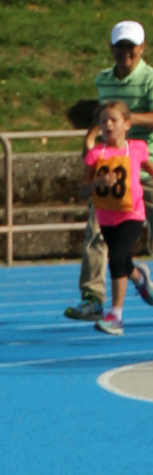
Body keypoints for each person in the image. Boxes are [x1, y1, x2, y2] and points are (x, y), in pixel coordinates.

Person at [66, 21, 153, 321]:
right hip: (109, 170)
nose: (125, 52)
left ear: (142, 48)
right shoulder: (103, 79)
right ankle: (93, 296)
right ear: (111, 48)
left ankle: (138, 279)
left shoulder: (150, 79)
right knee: (96, 233)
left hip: (144, 163)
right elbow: (100, 115)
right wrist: (92, 137)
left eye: (131, 46)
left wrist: (122, 116)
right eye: (120, 46)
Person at [80, 101, 153, 336]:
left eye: (113, 120)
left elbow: (150, 169)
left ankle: (116, 316)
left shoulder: (137, 148)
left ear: (127, 124)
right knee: (122, 261)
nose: (108, 124)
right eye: (103, 121)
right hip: (106, 216)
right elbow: (82, 189)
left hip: (132, 212)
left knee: (116, 258)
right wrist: (98, 183)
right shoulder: (96, 154)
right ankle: (139, 278)